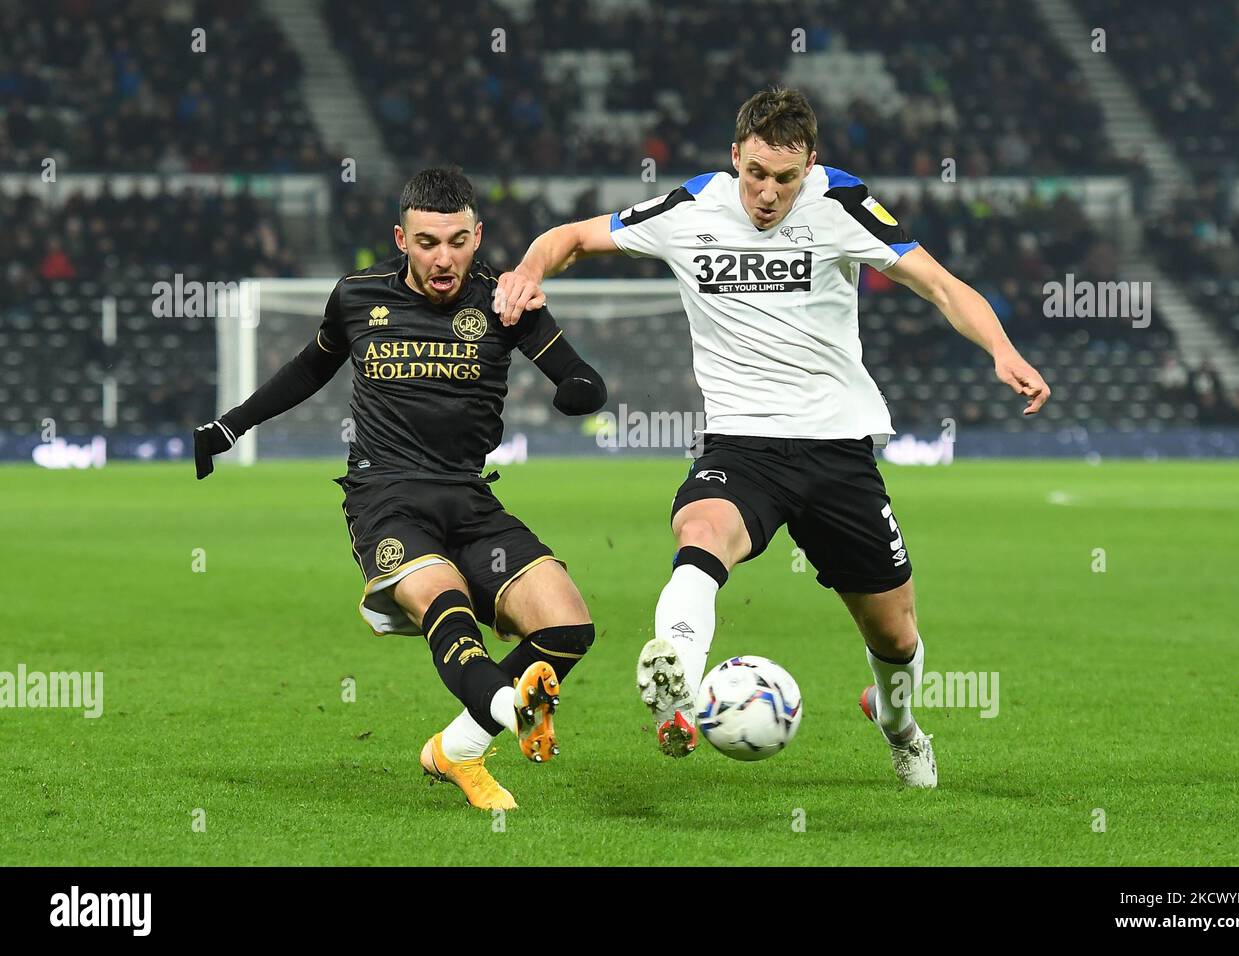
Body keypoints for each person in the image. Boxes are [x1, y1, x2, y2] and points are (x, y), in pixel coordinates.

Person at [493, 89, 1051, 789]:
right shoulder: (692, 208)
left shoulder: (840, 204)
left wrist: (1001, 350)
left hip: (837, 450)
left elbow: (939, 286)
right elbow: (569, 237)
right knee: (699, 532)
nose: (766, 193)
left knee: (896, 637)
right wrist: (526, 272)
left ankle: (900, 725)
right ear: (735, 158)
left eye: (785, 179)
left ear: (810, 166)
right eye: (755, 173)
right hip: (740, 447)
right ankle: (679, 685)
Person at [193, 167, 608, 810]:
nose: (444, 259)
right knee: (448, 604)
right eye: (427, 242)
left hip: (470, 501)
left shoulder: (505, 299)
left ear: (478, 235)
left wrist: (576, 390)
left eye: (458, 241)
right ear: (401, 239)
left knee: (568, 627)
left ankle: (458, 747)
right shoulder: (358, 296)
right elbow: (310, 367)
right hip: (385, 499)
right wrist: (231, 424)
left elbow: (580, 379)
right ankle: (509, 707)